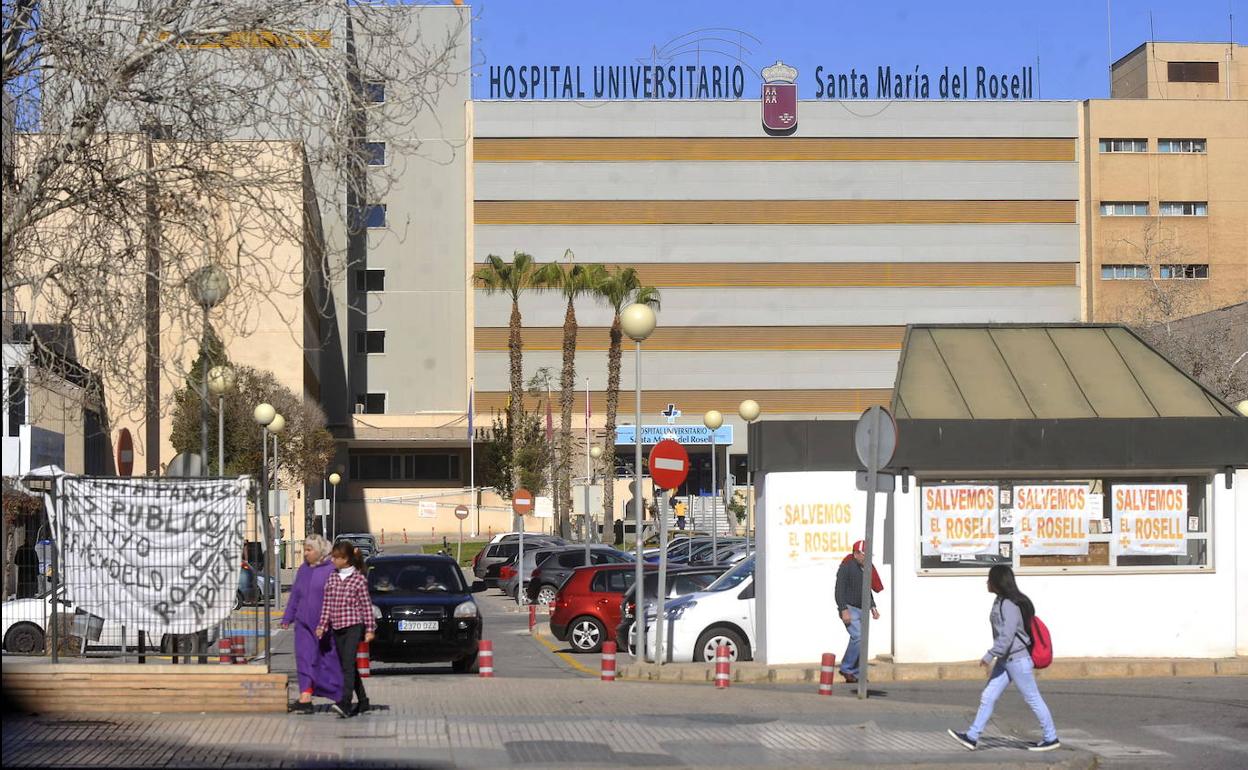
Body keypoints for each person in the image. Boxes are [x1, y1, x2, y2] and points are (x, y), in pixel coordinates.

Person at [948, 565, 1060, 752]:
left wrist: (990, 654)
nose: (987, 582)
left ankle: (1051, 737)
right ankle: (972, 736)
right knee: (988, 696)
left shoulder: (1009, 605)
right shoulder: (1000, 601)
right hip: (1006, 660)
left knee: (1032, 698)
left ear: (998, 582)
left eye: (989, 579)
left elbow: (1007, 637)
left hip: (1017, 660)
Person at [280, 534, 342, 713]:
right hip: (303, 625)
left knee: (325, 661)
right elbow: (296, 596)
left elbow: (338, 598)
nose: (305, 553)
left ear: (320, 550)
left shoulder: (331, 570)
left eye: (309, 549)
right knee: (304, 659)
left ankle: (337, 696)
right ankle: (305, 697)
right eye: (305, 549)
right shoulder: (303, 570)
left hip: (325, 625)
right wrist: (287, 617)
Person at [316, 541, 375, 718]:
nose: (333, 560)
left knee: (347, 665)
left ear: (346, 559)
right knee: (347, 665)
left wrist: (370, 629)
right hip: (337, 627)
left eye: (336, 557)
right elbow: (327, 604)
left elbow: (366, 606)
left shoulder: (358, 579)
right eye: (332, 557)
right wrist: (322, 625)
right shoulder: (332, 578)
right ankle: (363, 701)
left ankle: (345, 703)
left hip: (353, 626)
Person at [834, 539, 881, 684]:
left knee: (862, 641)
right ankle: (847, 668)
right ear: (856, 554)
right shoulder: (846, 567)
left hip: (863, 608)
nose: (867, 558)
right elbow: (839, 590)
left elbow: (867, 590)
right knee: (858, 636)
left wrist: (873, 607)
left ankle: (856, 673)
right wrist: (843, 609)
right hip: (850, 608)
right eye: (864, 554)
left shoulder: (866, 568)